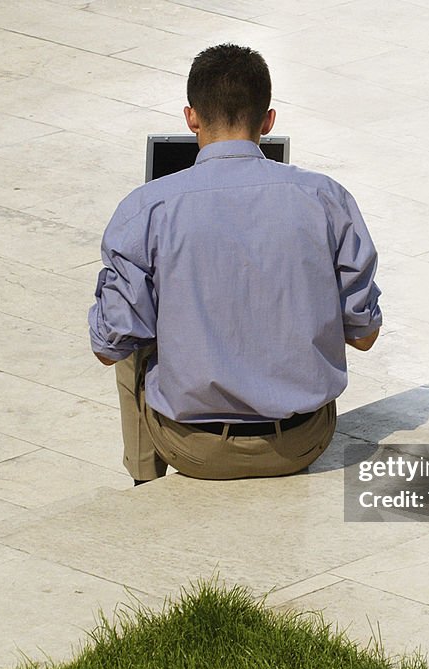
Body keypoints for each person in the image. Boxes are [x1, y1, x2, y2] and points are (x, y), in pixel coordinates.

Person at [88, 43, 382, 484]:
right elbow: (364, 337)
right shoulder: (325, 198)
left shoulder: (146, 207)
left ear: (191, 118)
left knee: (132, 331)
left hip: (193, 447)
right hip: (302, 440)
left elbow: (107, 349)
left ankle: (144, 480)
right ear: (267, 120)